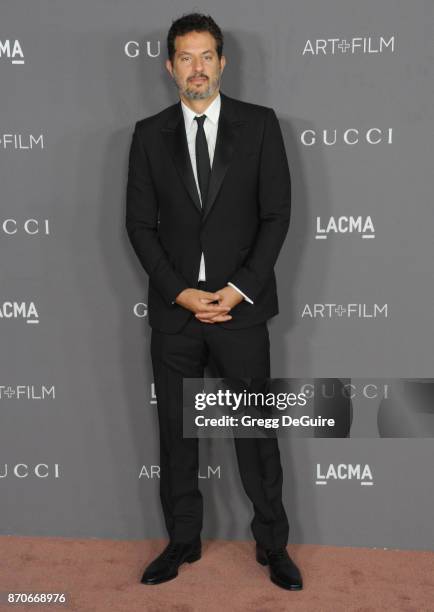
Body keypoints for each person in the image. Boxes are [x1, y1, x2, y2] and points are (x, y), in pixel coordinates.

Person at [125, 12, 302, 591]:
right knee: (176, 439)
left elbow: (277, 215)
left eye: (206, 56)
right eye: (185, 57)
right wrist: (180, 292)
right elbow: (139, 225)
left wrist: (237, 288)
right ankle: (182, 543)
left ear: (223, 62)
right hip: (177, 316)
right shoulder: (149, 134)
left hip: (241, 310)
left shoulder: (259, 125)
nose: (196, 68)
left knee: (256, 436)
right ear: (169, 66)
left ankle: (272, 546)